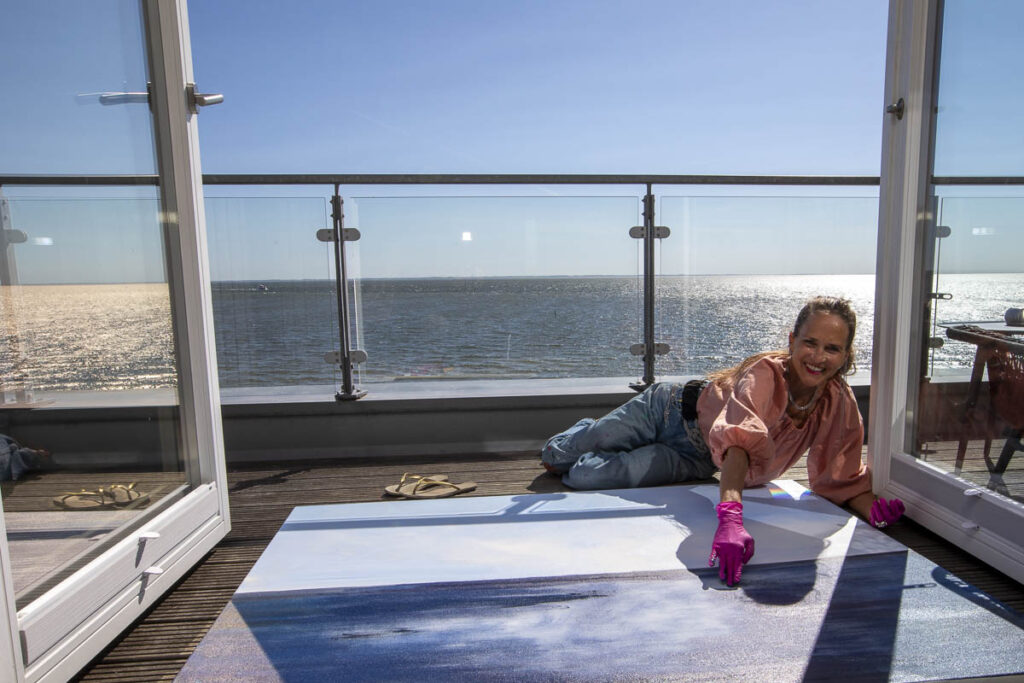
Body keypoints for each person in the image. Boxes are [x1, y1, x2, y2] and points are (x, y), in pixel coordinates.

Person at [541, 296, 905, 586]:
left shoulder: (837, 402)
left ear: (845, 356)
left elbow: (839, 475)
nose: (818, 357)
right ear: (792, 341)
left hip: (698, 459)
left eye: (832, 348)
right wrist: (731, 517)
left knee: (585, 478)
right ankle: (586, 433)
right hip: (667, 409)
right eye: (810, 342)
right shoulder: (765, 373)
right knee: (559, 457)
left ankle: (604, 445)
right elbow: (738, 446)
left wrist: (871, 507)